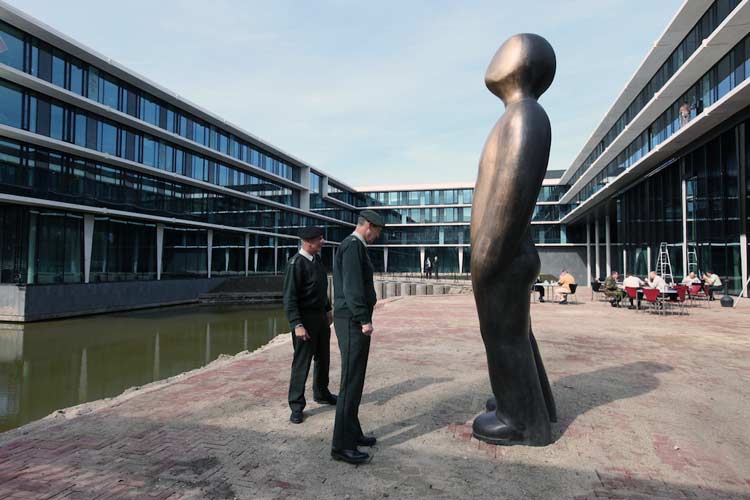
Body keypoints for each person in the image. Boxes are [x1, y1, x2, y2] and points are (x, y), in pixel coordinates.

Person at [331, 210, 384, 465]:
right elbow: (352, 287)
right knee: (350, 382)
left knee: (356, 380)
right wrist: (364, 319)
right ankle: (341, 446)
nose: (377, 237)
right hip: (352, 321)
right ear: (369, 226)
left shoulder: (355, 246)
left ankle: (353, 433)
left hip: (352, 319)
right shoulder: (353, 247)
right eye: (378, 232)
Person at [283, 226, 336, 425]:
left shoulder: (317, 260)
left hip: (321, 318)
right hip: (304, 321)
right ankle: (296, 405)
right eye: (319, 239)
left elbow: (322, 288)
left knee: (323, 359)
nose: (322, 242)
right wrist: (297, 324)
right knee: (301, 363)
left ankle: (322, 393)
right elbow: (290, 298)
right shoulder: (295, 264)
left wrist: (328, 309)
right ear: (308, 242)